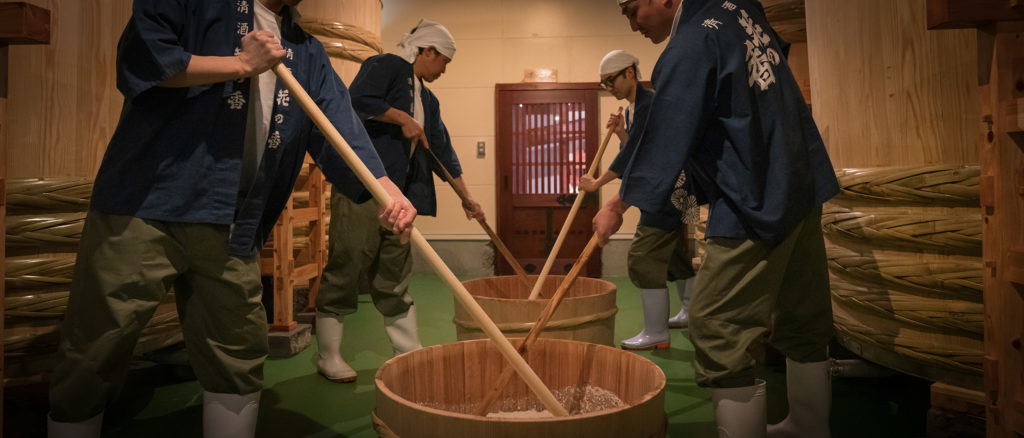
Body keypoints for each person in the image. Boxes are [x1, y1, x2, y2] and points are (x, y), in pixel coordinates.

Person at [46, 1, 416, 437]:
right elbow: (145, 55)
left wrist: (383, 189)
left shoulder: (307, 51)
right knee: (96, 343)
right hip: (143, 205)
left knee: (238, 349)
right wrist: (240, 63)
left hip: (234, 219)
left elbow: (340, 127)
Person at [600, 1, 840, 436]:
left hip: (754, 193)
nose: (632, 24)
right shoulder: (740, 9)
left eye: (633, 10)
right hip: (799, 180)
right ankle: (809, 426)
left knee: (714, 323)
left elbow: (665, 140)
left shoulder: (689, 45)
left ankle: (659, 330)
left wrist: (617, 204)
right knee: (803, 315)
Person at [314, 19, 484, 384]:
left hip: (400, 199)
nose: (443, 70)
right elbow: (356, 101)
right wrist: (400, 117)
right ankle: (328, 355)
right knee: (346, 265)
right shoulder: (386, 66)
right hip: (363, 189)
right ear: (428, 51)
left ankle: (407, 353)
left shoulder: (428, 98)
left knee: (395, 273)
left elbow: (441, 151)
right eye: (444, 62)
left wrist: (467, 199)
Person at [579, 49, 696, 351]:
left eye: (611, 80)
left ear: (630, 73)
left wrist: (598, 183)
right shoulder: (634, 109)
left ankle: (657, 332)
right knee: (675, 255)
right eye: (604, 83)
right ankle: (689, 313)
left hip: (672, 191)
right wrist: (621, 133)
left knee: (643, 258)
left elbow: (633, 157)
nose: (609, 88)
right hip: (677, 190)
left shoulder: (650, 105)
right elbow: (639, 149)